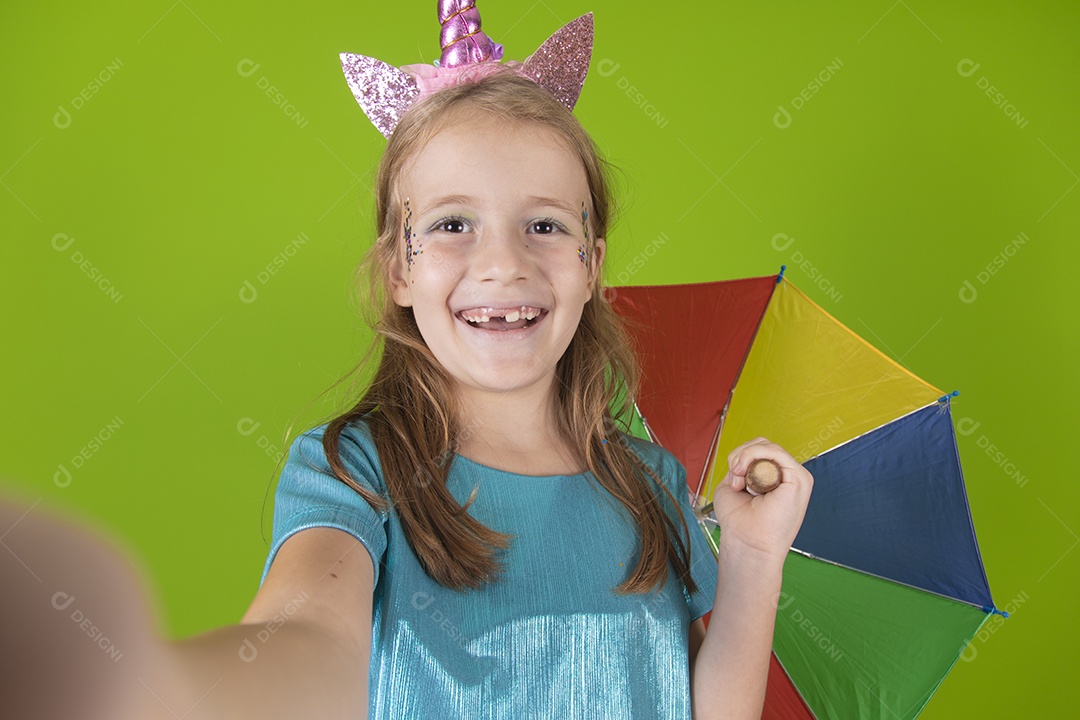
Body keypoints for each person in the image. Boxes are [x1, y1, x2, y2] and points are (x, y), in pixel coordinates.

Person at [0, 6, 811, 720]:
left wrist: (753, 557)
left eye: (546, 226)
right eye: (455, 224)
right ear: (400, 268)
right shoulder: (355, 471)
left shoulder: (654, 483)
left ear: (592, 265)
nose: (504, 263)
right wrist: (164, 693)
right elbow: (311, 634)